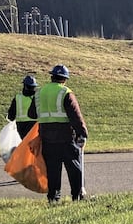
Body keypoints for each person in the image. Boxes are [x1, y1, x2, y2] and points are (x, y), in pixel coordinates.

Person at [29, 64, 88, 203]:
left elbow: (31, 114)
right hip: (66, 137)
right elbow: (75, 115)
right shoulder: (65, 92)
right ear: (65, 79)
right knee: (74, 167)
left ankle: (53, 198)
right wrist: (82, 133)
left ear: (52, 77)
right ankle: (77, 196)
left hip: (47, 138)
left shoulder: (39, 93)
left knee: (53, 170)